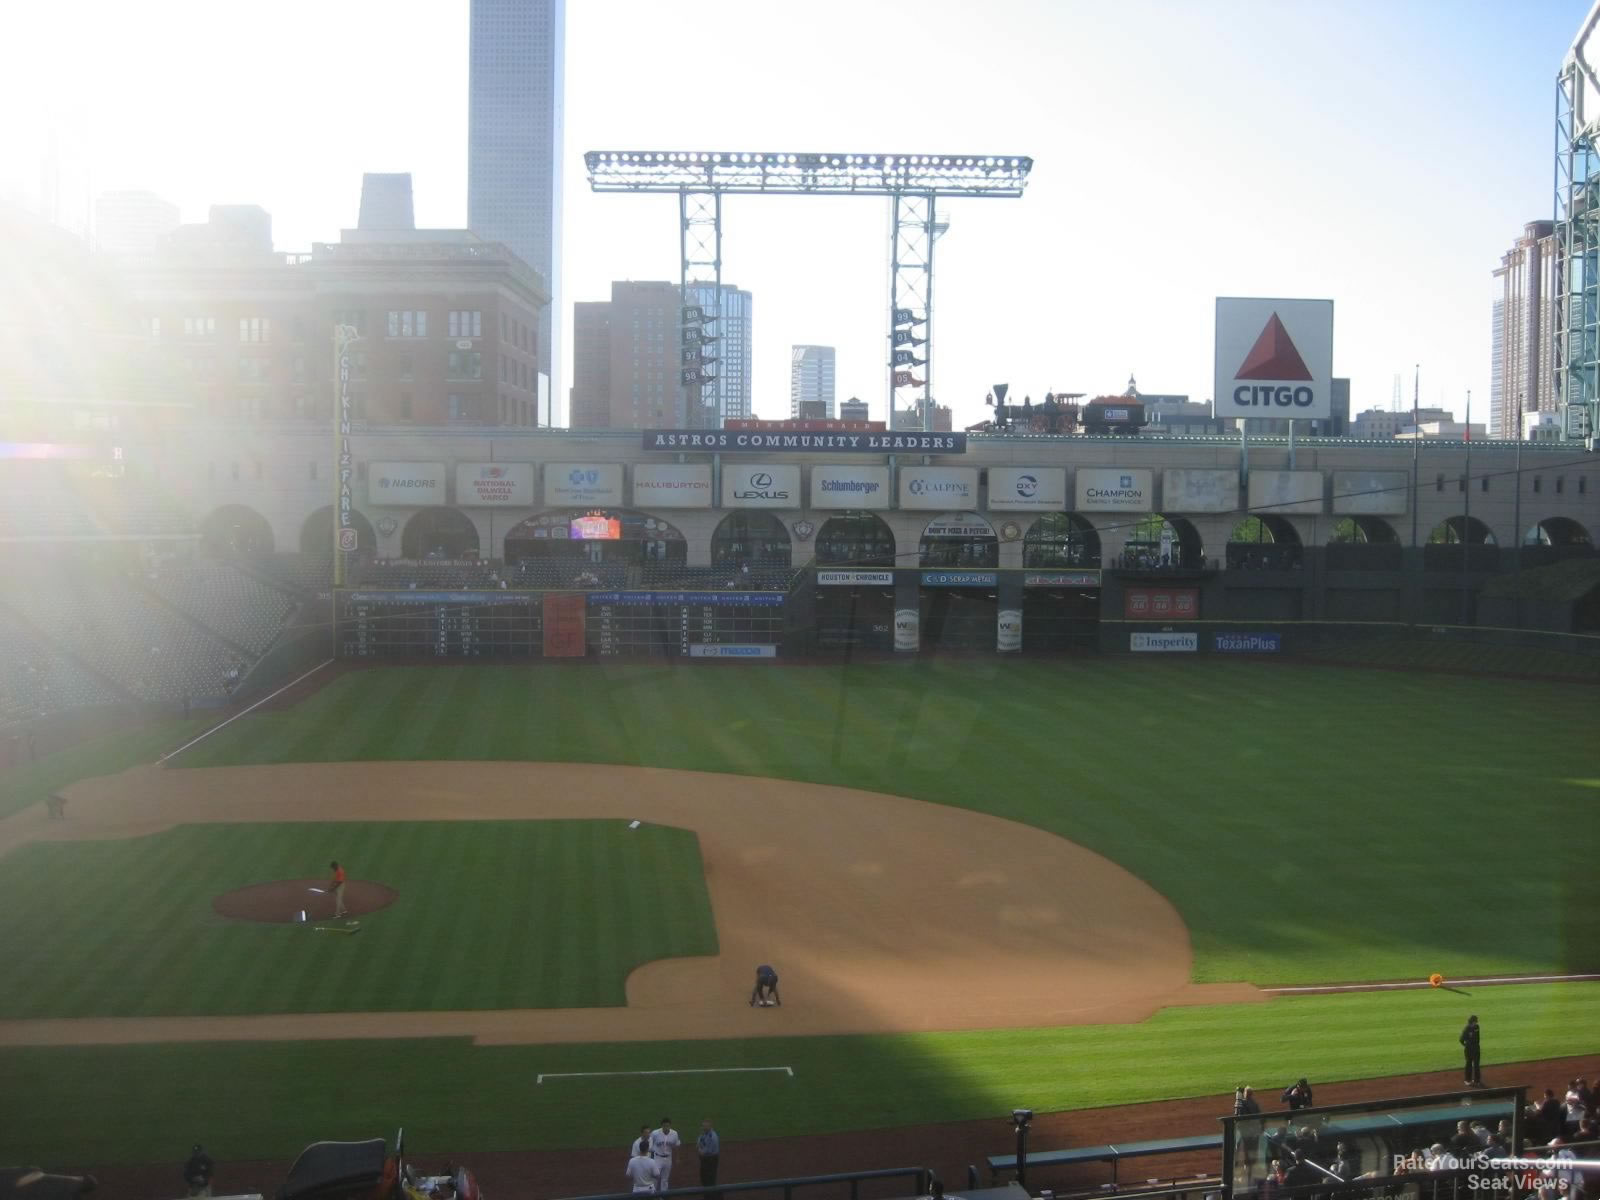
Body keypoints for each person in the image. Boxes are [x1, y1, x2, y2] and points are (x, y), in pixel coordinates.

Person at [649, 1118, 681, 1191]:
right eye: (664, 1126)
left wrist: (677, 1157)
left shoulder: (674, 1133)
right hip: (657, 1158)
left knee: (665, 1179)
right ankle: (653, 1194)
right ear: (661, 1126)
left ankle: (663, 1196)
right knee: (655, 1177)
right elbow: (650, 1144)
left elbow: (677, 1145)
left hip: (668, 1158)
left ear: (670, 1126)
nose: (666, 1127)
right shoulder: (655, 1133)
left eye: (667, 1126)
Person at [697, 1118, 720, 1199]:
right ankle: (707, 1196)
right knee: (703, 1178)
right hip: (705, 1160)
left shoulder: (712, 1137)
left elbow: (706, 1151)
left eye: (706, 1126)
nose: (704, 1128)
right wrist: (700, 1149)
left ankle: (714, 1197)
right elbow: (699, 1143)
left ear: (710, 1126)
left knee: (710, 1180)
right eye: (703, 1126)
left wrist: (700, 1150)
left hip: (711, 1160)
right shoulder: (704, 1134)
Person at [1460, 1015, 1481, 1086]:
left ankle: (1476, 1080)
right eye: (1475, 1021)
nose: (1476, 1022)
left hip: (1474, 1048)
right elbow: (1461, 1040)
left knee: (1476, 1065)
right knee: (1469, 1064)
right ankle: (1469, 1080)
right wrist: (1466, 1046)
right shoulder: (1468, 1029)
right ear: (1473, 1022)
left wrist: (1466, 1045)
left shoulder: (1476, 1027)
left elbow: (1461, 1040)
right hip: (1471, 1049)